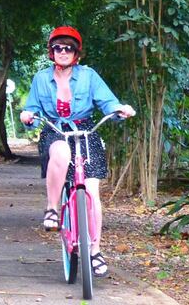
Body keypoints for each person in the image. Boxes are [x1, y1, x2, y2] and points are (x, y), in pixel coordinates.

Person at [20, 26, 135, 277]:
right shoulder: (41, 78)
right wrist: (28, 116)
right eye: (58, 47)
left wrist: (119, 109)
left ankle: (94, 250)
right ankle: (52, 208)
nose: (63, 51)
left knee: (92, 192)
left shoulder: (89, 76)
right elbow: (32, 109)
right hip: (55, 131)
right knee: (60, 152)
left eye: (68, 48)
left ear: (76, 53)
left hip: (86, 132)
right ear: (52, 52)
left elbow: (107, 102)